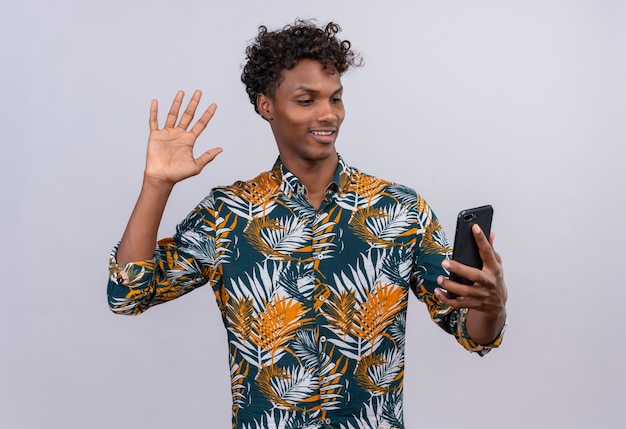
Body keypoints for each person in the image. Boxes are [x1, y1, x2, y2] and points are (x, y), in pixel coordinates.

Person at [107, 20, 507, 429]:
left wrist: (492, 306)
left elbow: (471, 331)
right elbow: (127, 295)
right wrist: (156, 185)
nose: (328, 114)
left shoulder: (399, 210)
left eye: (335, 98)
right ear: (267, 105)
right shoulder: (225, 215)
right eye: (306, 100)